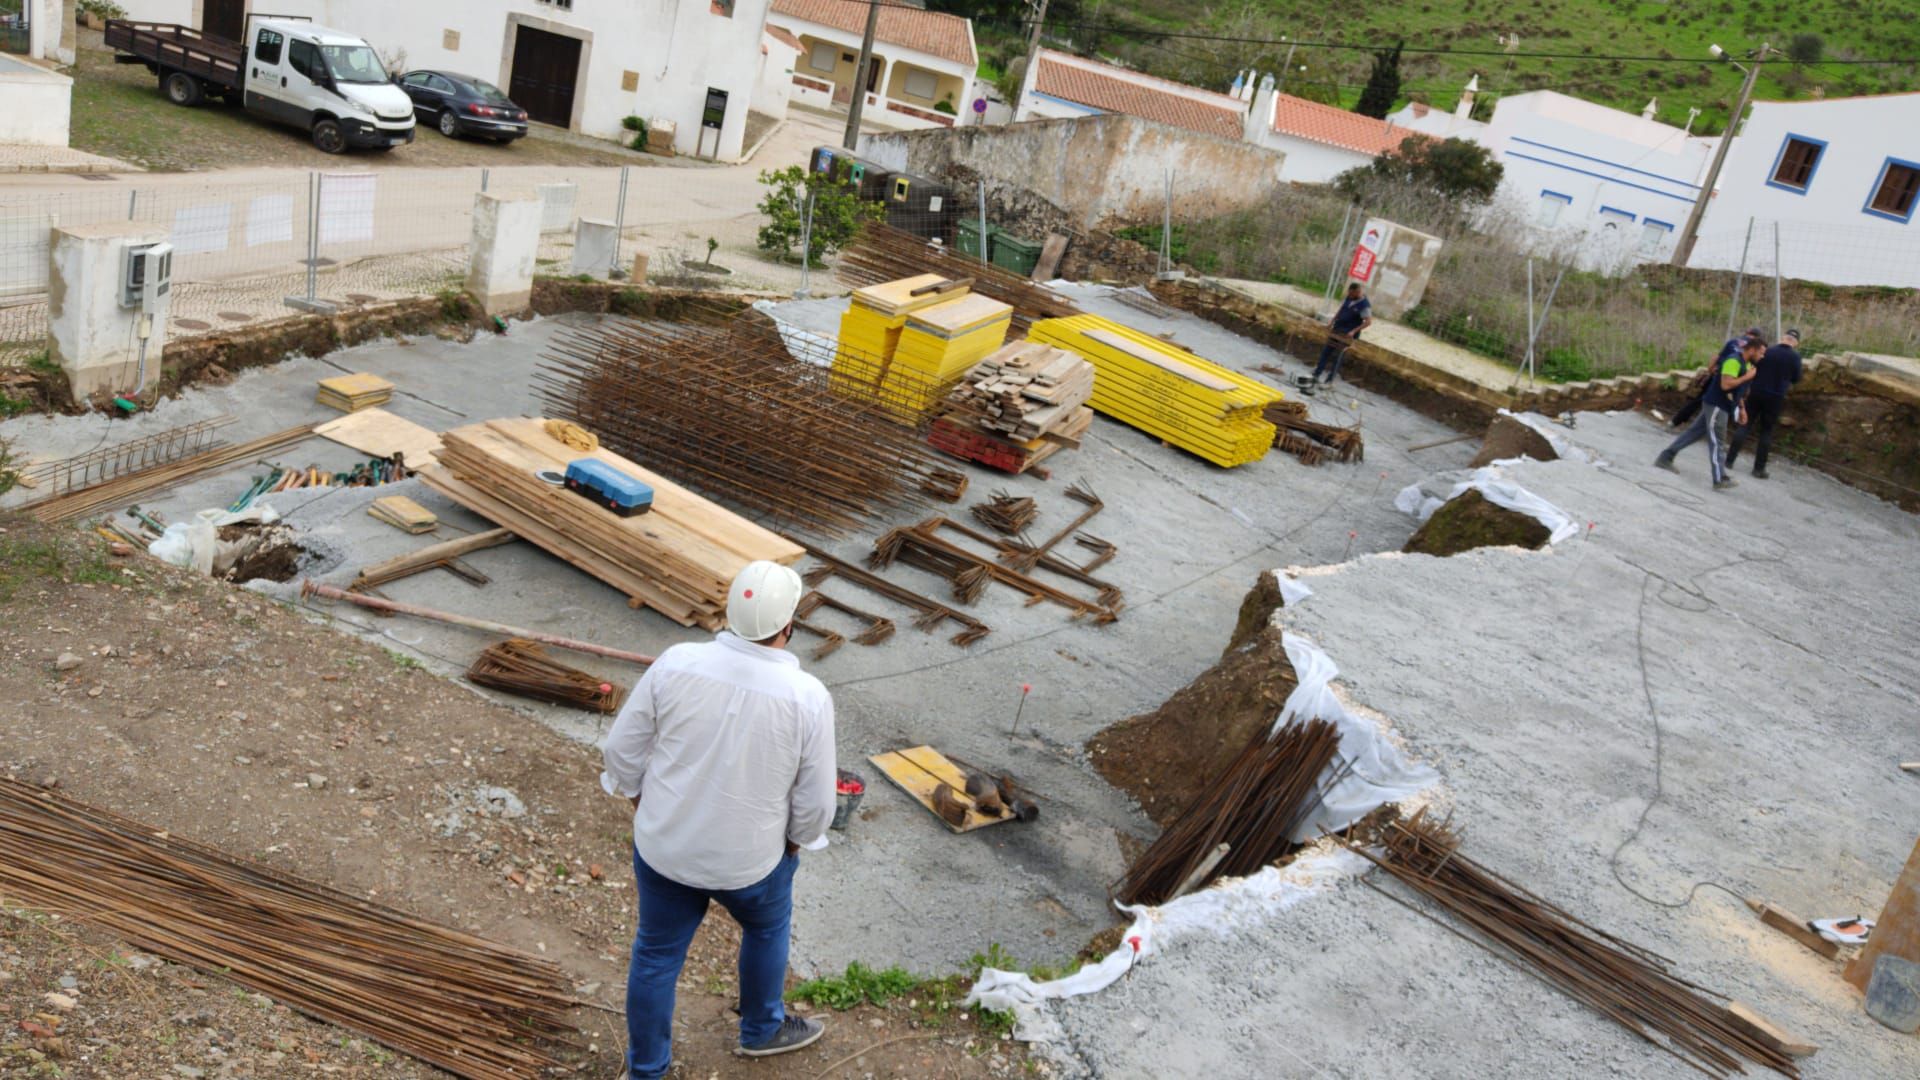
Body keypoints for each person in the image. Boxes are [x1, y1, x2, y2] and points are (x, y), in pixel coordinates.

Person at [601, 561, 837, 1079]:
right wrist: (795, 844)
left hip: (665, 849)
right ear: (789, 625)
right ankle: (761, 1029)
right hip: (750, 862)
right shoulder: (807, 698)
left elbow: (621, 751)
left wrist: (643, 803)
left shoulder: (676, 663)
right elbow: (817, 805)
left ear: (728, 614)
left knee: (656, 955)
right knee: (767, 925)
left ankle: (647, 1071)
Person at [1655, 335, 1762, 490]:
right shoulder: (1733, 361)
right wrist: (1747, 377)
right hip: (1717, 405)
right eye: (1761, 352)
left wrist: (1742, 408)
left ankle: (1665, 457)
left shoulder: (1745, 364)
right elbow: (1726, 385)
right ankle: (1719, 478)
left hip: (1721, 405)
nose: (1762, 356)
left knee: (1693, 433)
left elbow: (1738, 390)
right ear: (1752, 350)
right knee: (1717, 441)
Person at [1726, 328, 1803, 479]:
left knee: (1745, 424)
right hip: (1776, 396)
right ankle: (1759, 469)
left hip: (1757, 391)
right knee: (1766, 431)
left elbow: (1756, 365)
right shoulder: (1795, 357)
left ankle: (1729, 460)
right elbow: (1796, 378)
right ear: (1796, 343)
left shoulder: (1768, 351)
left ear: (1783, 338)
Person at [1672, 327, 1763, 428]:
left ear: (1747, 333)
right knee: (1719, 405)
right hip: (1732, 381)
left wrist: (1710, 370)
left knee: (1700, 400)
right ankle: (1708, 427)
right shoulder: (1752, 349)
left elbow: (1717, 357)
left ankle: (1677, 420)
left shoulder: (1733, 342)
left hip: (1717, 376)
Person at [1312, 283, 1373, 383]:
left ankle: (1329, 380)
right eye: (1349, 293)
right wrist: (1332, 321)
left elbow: (1368, 322)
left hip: (1347, 334)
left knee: (1338, 357)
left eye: (1351, 294)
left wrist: (1353, 331)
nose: (1349, 296)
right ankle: (1317, 373)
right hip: (1337, 329)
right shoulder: (1349, 297)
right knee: (1326, 352)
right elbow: (1341, 309)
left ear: (1357, 292)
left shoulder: (1364, 305)